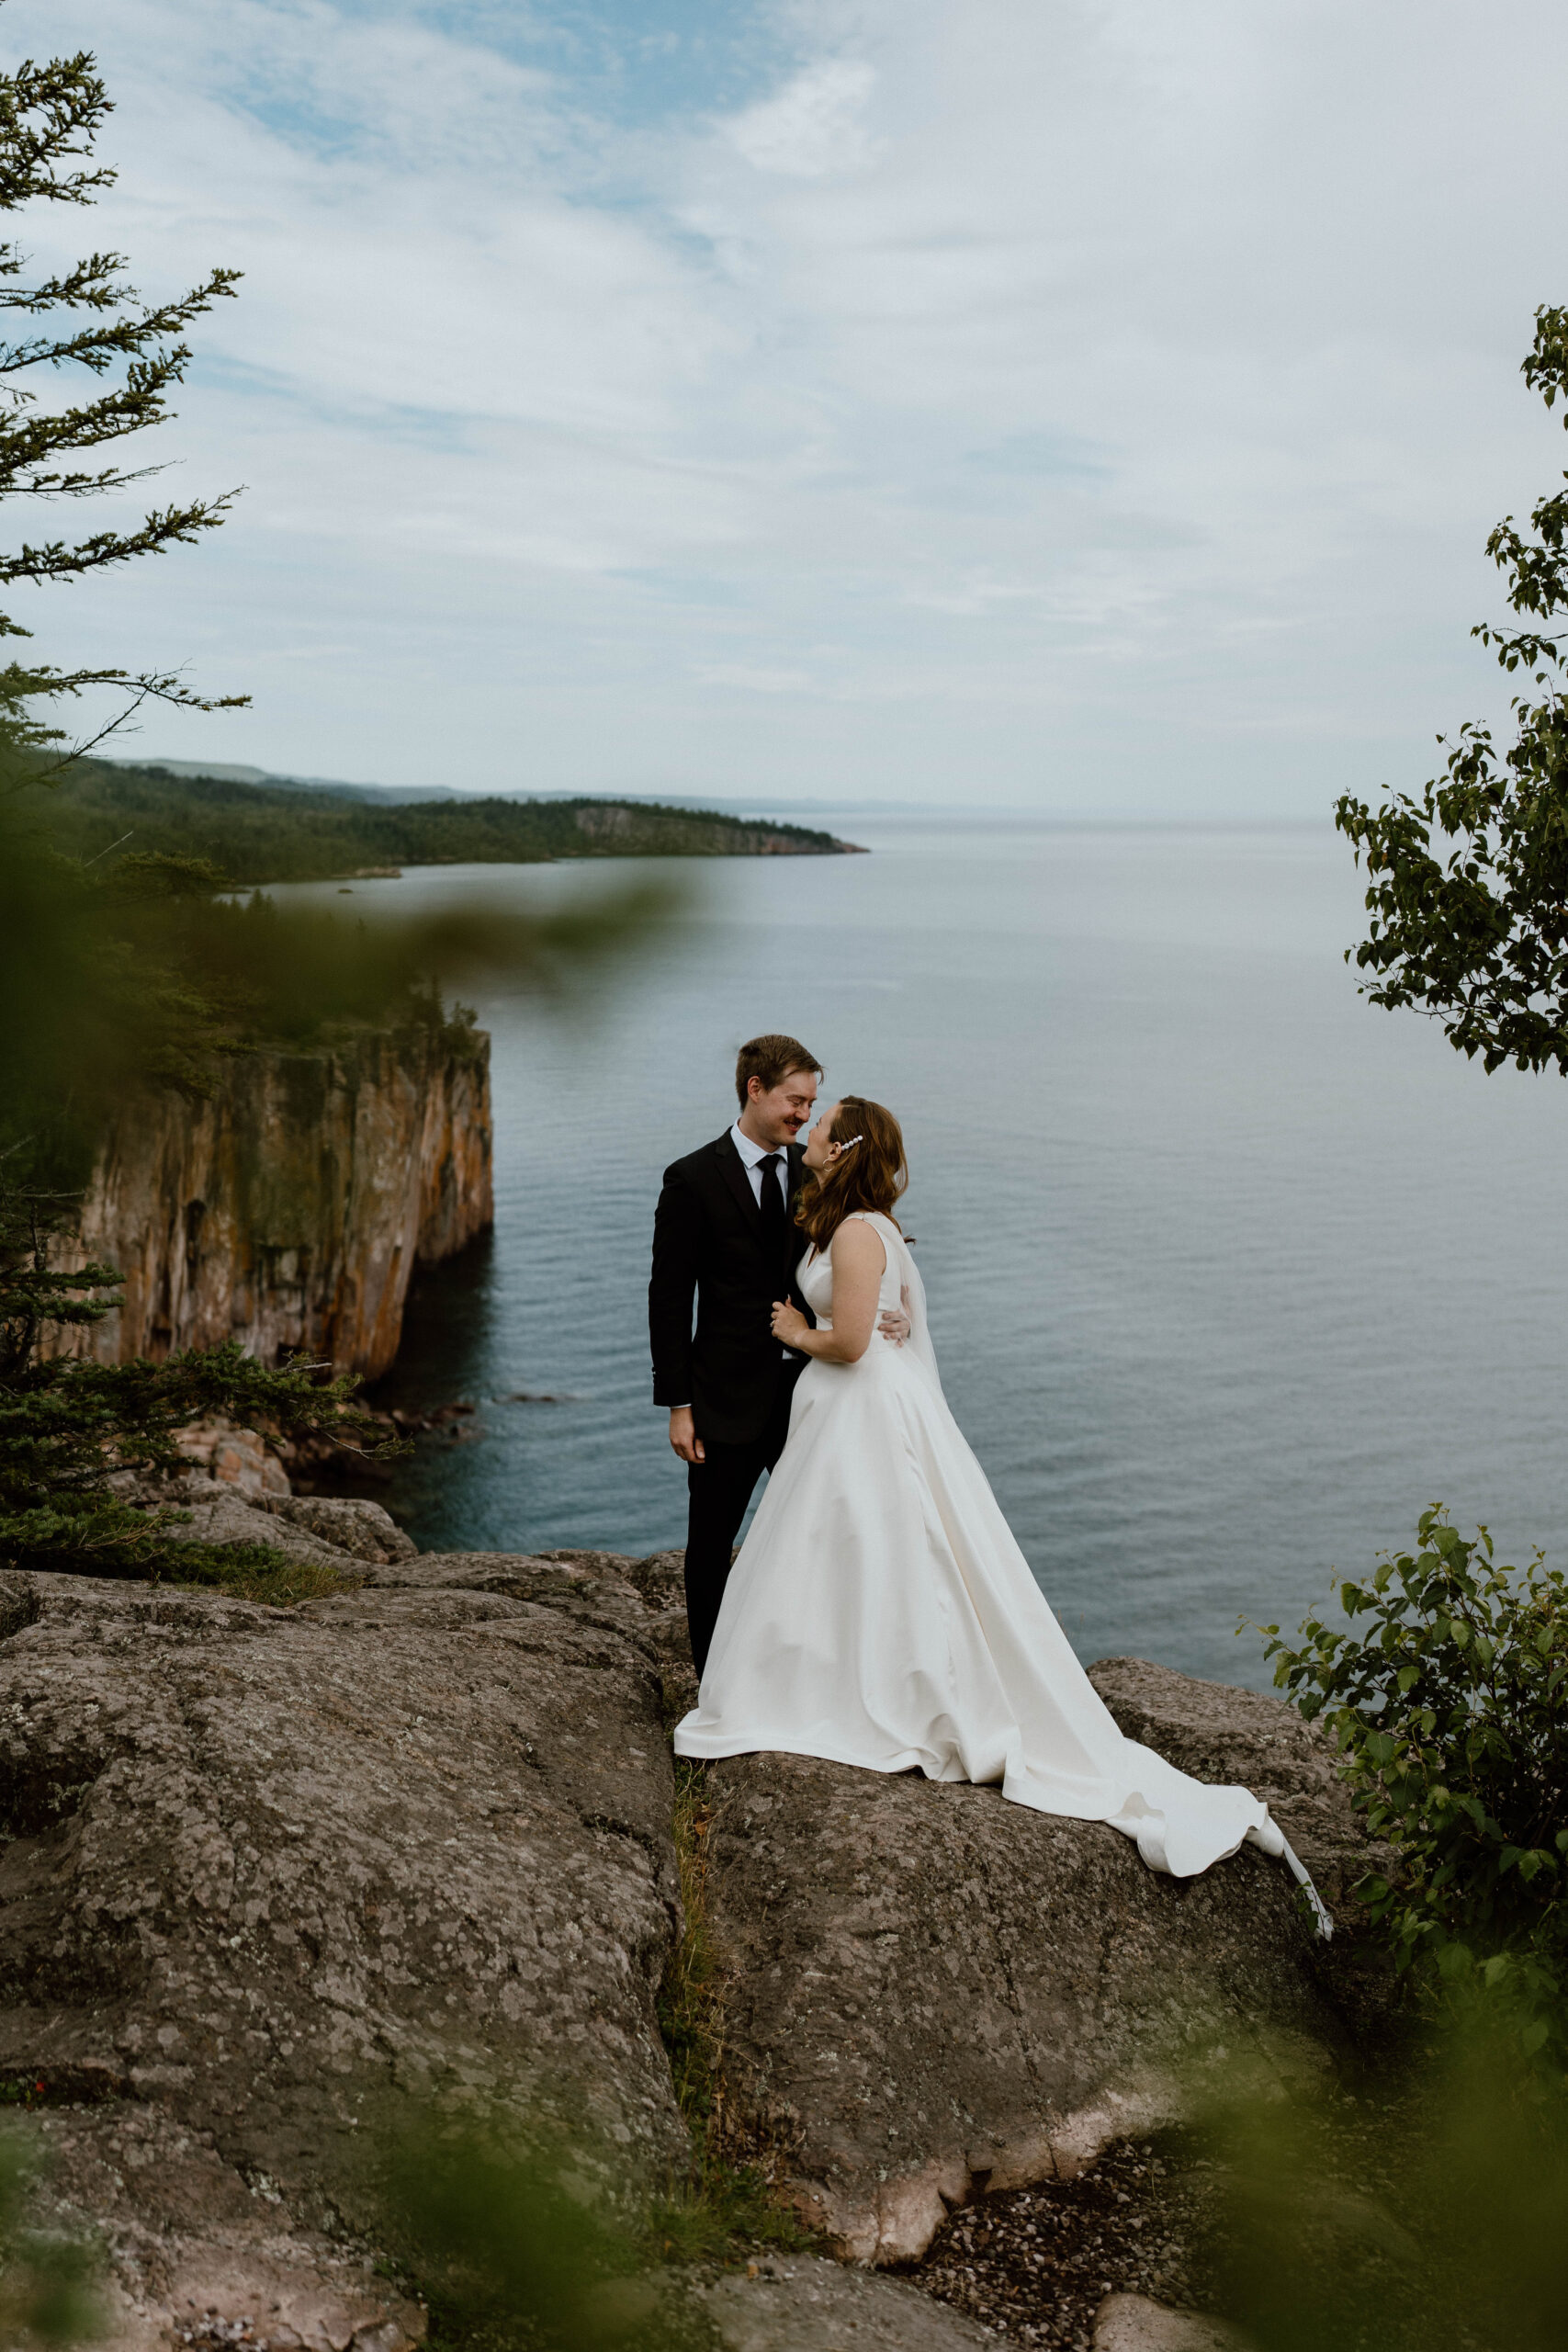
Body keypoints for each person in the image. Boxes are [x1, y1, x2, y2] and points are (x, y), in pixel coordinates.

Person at [673, 1092, 1332, 1921]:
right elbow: (896, 1319)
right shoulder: (864, 1227)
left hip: (857, 1406)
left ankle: (850, 1678)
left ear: (841, 1148)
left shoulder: (853, 1231)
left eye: (821, 1122)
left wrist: (795, 1330)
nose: (807, 1131)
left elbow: (849, 1342)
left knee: (859, 1542)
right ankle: (851, 1667)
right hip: (854, 1407)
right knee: (862, 1543)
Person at [649, 1035, 908, 1678]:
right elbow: (668, 1297)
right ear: (754, 1089)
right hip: (722, 1399)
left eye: (811, 1104)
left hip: (815, 1395)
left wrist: (890, 1312)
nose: (802, 1114)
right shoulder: (691, 1178)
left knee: (819, 1534)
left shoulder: (815, 1171)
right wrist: (678, 1404)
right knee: (710, 1544)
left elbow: (864, 1245)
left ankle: (813, 1669)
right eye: (795, 1100)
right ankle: (713, 1677)